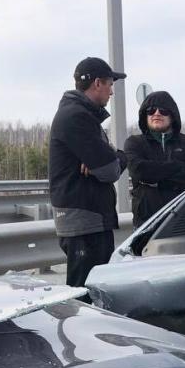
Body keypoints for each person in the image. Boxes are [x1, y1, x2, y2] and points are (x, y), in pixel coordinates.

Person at [49, 56, 128, 287]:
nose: (111, 92)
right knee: (84, 296)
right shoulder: (76, 117)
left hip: (88, 219)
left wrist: (109, 156)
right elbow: (110, 170)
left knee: (91, 292)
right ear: (97, 83)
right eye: (110, 84)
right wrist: (118, 156)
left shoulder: (81, 116)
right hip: (84, 221)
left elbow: (105, 163)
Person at [124, 91, 185, 227]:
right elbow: (139, 171)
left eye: (163, 110)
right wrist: (178, 166)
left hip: (184, 222)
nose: (156, 114)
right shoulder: (134, 143)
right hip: (146, 224)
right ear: (145, 115)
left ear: (173, 115)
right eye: (151, 111)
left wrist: (157, 182)